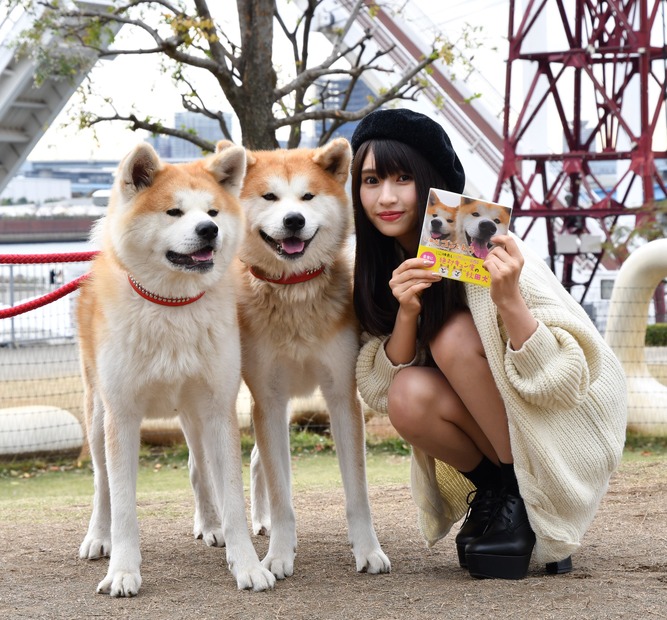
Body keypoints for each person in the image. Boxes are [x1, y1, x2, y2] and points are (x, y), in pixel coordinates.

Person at [349, 107, 627, 580]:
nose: (386, 197)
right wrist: (408, 314)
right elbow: (380, 392)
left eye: (402, 178)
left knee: (453, 335)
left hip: (574, 421)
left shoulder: (482, 241)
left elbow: (566, 382)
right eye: (371, 180)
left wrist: (510, 298)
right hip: (506, 429)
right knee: (408, 394)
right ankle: (503, 492)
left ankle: (525, 498)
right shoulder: (379, 264)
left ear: (430, 181)